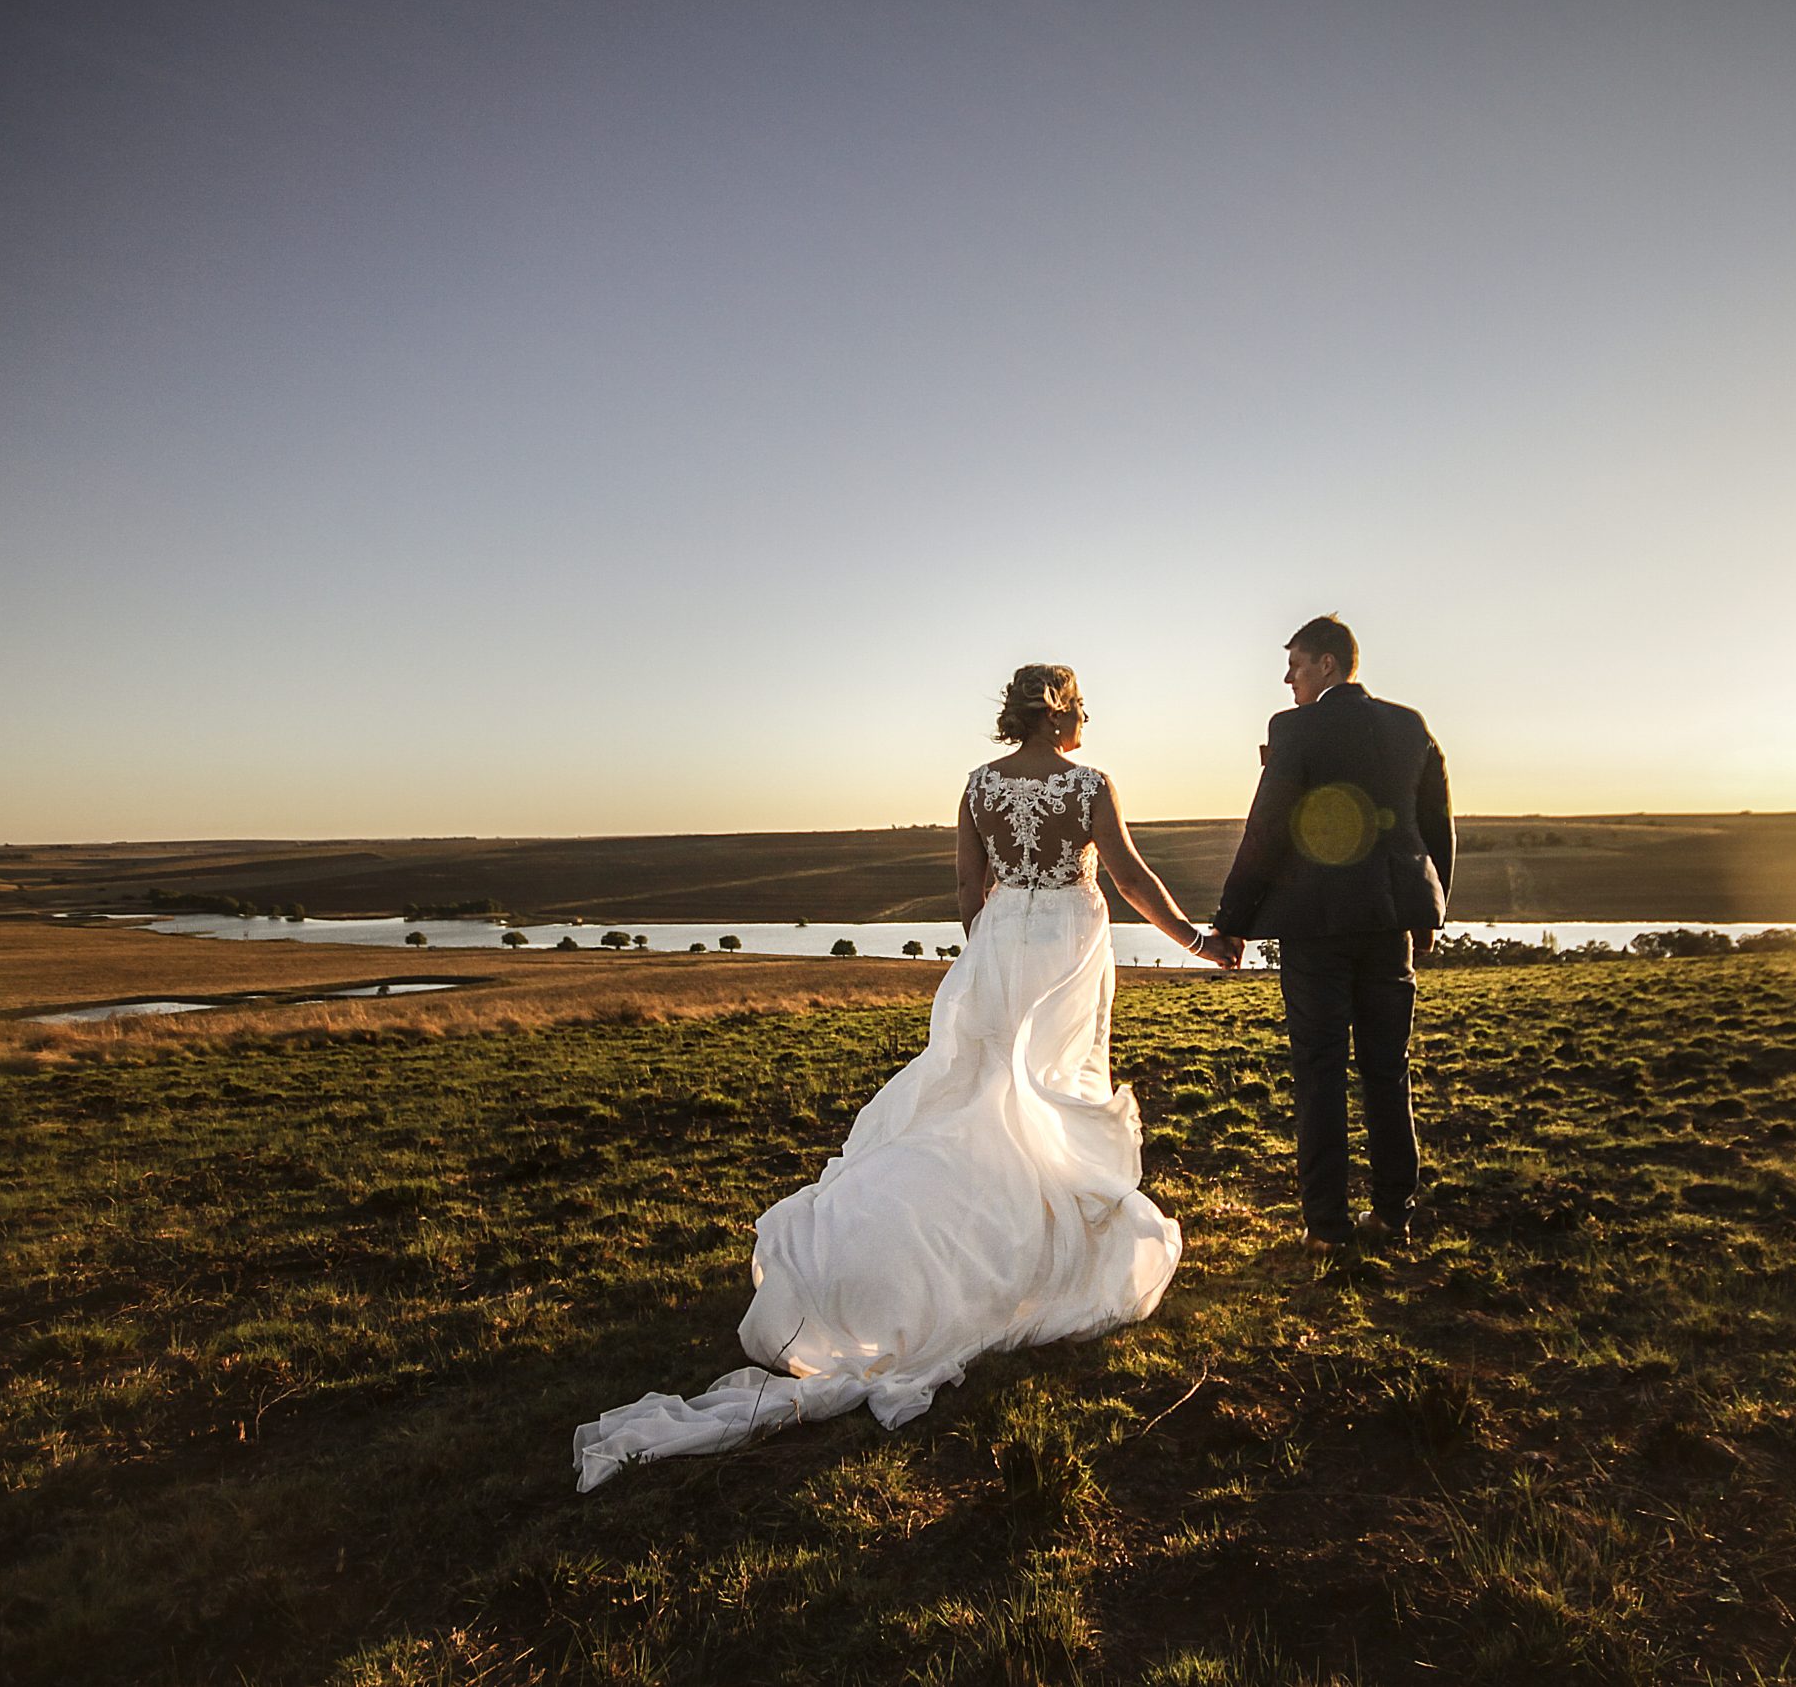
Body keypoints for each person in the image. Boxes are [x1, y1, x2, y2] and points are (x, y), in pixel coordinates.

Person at [575, 664, 1225, 1490]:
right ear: (1065, 714)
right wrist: (1196, 940)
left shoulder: (978, 787)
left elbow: (967, 885)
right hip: (1067, 945)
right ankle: (1040, 1246)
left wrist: (988, 947)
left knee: (981, 1090)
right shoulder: (1090, 783)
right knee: (1052, 1092)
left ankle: (948, 1237)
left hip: (1000, 944)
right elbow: (1129, 875)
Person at [1209, 615, 1453, 1254]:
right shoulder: (1409, 725)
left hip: (1315, 926)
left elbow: (1266, 829)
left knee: (1319, 1071)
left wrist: (1232, 922)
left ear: (1325, 664)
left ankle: (1326, 1227)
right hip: (1390, 920)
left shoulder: (1295, 729)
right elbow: (1434, 824)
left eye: (1294, 663)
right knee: (1386, 1067)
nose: (1287, 678)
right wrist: (1426, 912)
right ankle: (1396, 1215)